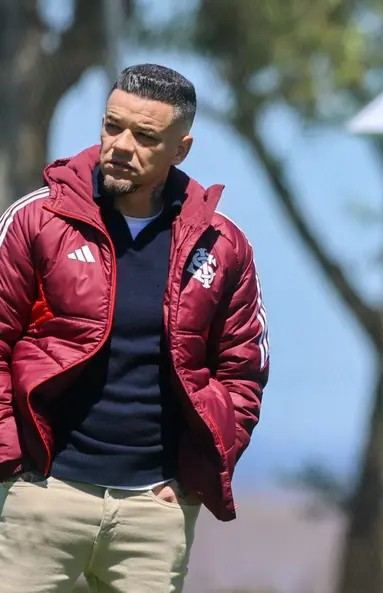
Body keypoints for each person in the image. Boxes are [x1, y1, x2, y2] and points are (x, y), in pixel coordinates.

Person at [0, 63, 270, 592]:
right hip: (40, 498)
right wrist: (12, 462)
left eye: (145, 136)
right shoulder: (37, 219)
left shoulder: (223, 244)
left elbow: (244, 373)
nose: (120, 145)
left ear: (181, 149)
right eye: (111, 126)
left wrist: (190, 482)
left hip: (155, 513)